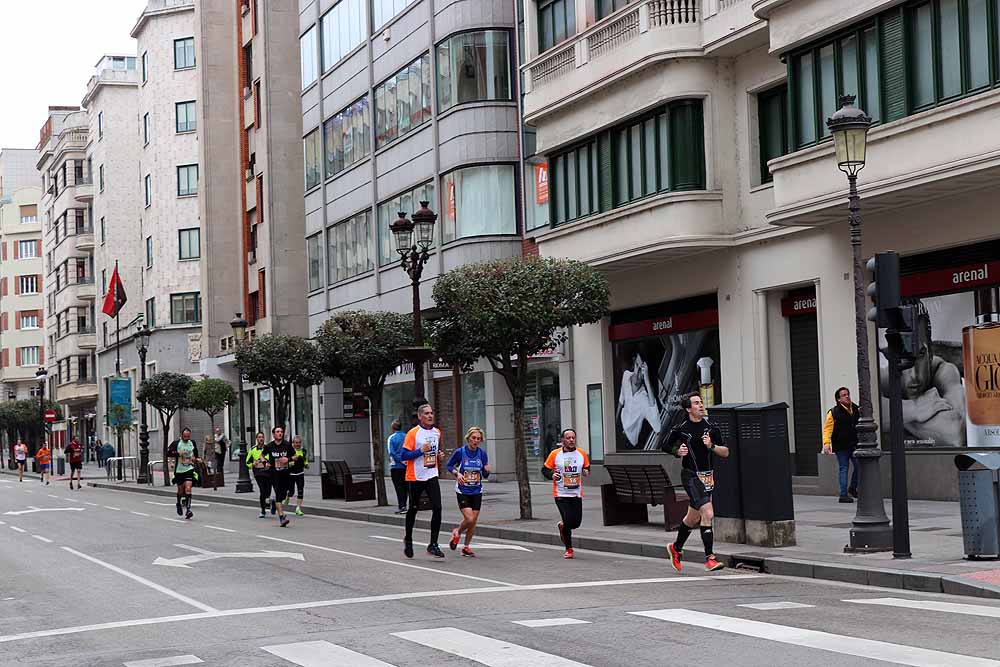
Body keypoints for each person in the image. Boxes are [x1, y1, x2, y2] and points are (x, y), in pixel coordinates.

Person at [880, 300, 965, 446]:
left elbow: (955, 435)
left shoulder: (943, 371)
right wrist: (915, 408)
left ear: (930, 354)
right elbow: (864, 417)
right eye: (903, 355)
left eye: (920, 355)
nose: (913, 375)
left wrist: (892, 418)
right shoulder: (884, 378)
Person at [662, 392, 729, 573]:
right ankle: (710, 558)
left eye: (701, 402)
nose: (701, 405)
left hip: (708, 477)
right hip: (691, 476)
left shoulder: (712, 428)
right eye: (696, 403)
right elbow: (665, 445)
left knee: (693, 518)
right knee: (707, 512)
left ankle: (676, 548)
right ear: (688, 408)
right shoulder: (681, 429)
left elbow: (725, 452)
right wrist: (677, 451)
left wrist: (712, 446)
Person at [400, 403, 446, 559]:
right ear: (420, 416)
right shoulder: (413, 434)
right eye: (426, 413)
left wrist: (439, 456)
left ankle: (433, 544)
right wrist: (420, 451)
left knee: (438, 508)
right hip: (415, 476)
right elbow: (403, 456)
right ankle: (408, 539)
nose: (430, 416)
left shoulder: (437, 432)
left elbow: (434, 452)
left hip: (431, 474)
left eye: (431, 413)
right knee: (413, 509)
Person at [542, 429, 590, 559]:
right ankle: (569, 549)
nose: (571, 440)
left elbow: (586, 467)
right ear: (563, 440)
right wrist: (553, 475)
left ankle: (562, 526)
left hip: (576, 493)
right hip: (561, 493)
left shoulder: (582, 453)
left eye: (573, 437)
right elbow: (545, 470)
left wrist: (586, 471)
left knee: (576, 523)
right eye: (568, 438)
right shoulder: (555, 454)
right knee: (568, 520)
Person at [447, 427, 491, 557]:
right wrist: (457, 473)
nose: (476, 441)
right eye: (473, 438)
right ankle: (458, 531)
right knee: (469, 518)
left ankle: (466, 547)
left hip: (477, 490)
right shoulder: (460, 452)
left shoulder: (482, 454)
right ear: (468, 438)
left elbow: (484, 474)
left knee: (473, 521)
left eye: (478, 439)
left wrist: (487, 471)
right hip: (463, 490)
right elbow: (449, 465)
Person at [617, 353, 662, 449]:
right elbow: (621, 399)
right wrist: (614, 422)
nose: (637, 372)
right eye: (637, 365)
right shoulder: (626, 376)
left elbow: (657, 427)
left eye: (641, 369)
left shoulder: (644, 399)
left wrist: (646, 379)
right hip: (618, 432)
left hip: (628, 443)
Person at [823, 387, 860, 503]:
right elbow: (827, 429)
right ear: (838, 399)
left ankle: (853, 488)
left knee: (859, 466)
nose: (847, 396)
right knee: (844, 469)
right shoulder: (833, 412)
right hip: (841, 446)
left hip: (854, 445)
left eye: (848, 394)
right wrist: (826, 444)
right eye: (844, 395)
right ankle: (843, 495)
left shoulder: (856, 408)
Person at [264, 426, 295, 528]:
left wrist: (288, 459)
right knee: (278, 493)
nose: (280, 433)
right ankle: (282, 518)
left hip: (285, 473)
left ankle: (273, 503)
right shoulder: (269, 446)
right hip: (274, 474)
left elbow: (295, 456)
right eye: (277, 432)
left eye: (281, 432)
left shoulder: (287, 445)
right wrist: (266, 462)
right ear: (273, 434)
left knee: (283, 494)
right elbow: (261, 455)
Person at [172, 428, 200, 520]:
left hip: (189, 468)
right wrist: (179, 453)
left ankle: (188, 510)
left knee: (188, 488)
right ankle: (178, 503)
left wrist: (196, 459)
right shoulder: (177, 443)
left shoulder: (192, 443)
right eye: (185, 436)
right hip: (179, 470)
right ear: (181, 435)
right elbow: (169, 453)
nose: (186, 438)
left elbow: (194, 454)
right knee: (180, 490)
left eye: (188, 436)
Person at [246, 431, 270, 518]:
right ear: (256, 439)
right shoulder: (253, 449)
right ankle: (263, 510)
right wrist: (253, 464)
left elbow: (272, 459)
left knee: (268, 491)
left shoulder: (268, 448)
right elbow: (247, 462)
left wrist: (268, 463)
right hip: (258, 473)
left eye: (262, 437)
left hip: (268, 472)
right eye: (259, 437)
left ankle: (268, 502)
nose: (261, 439)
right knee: (262, 490)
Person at [387, 420, 408, 514]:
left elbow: (391, 452)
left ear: (392, 428)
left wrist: (400, 460)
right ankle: (405, 504)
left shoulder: (391, 438)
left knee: (398, 487)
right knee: (406, 487)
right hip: (406, 466)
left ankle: (402, 506)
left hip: (396, 466)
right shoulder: (406, 436)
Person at [288, 434, 310, 516]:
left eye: (299, 442)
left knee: (300, 491)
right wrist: (291, 463)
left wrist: (306, 464)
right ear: (293, 443)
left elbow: (305, 460)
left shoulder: (303, 451)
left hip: (300, 474)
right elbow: (286, 462)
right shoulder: (290, 451)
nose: (298, 444)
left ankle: (298, 508)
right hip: (291, 474)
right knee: (291, 492)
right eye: (296, 442)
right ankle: (288, 496)